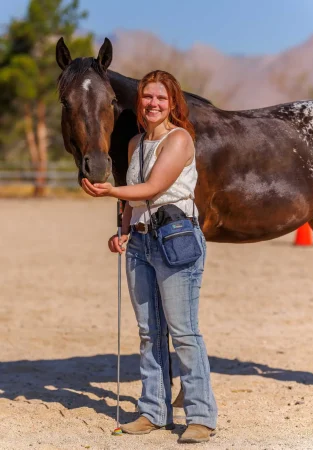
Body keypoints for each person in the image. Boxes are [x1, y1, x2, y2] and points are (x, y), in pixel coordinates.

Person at [81, 70, 217, 444]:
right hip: (140, 244)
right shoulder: (135, 143)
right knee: (149, 333)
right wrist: (123, 230)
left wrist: (108, 191)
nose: (153, 104)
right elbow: (134, 197)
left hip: (176, 238)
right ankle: (154, 411)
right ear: (139, 102)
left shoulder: (180, 139)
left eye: (161, 98)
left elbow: (154, 187)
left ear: (172, 103)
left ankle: (201, 416)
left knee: (184, 332)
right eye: (147, 97)